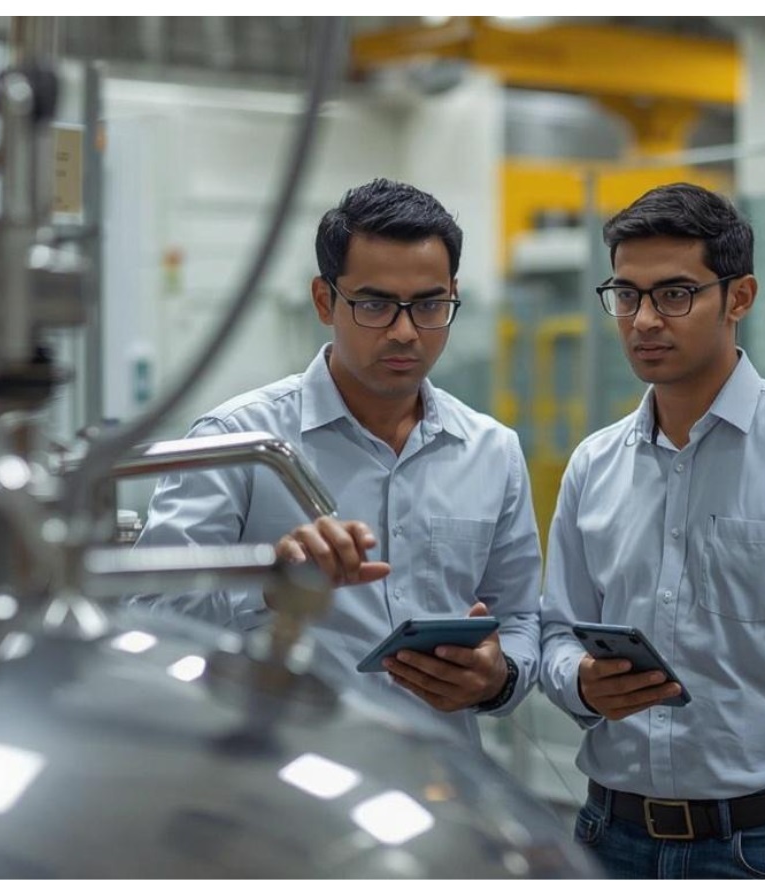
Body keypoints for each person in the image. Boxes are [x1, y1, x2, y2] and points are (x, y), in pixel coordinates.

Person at [538, 183, 765, 879]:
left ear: (738, 298)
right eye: (626, 295)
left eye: (675, 294)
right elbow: (556, 634)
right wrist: (583, 682)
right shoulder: (594, 465)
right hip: (609, 834)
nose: (645, 320)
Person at [132, 179, 542, 746]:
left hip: (439, 782)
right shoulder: (240, 441)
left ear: (452, 295)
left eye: (428, 305)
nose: (405, 332)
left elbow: (519, 618)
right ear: (325, 301)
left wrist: (498, 677)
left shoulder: (491, 451)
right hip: (285, 781)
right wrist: (269, 586)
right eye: (374, 305)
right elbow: (148, 615)